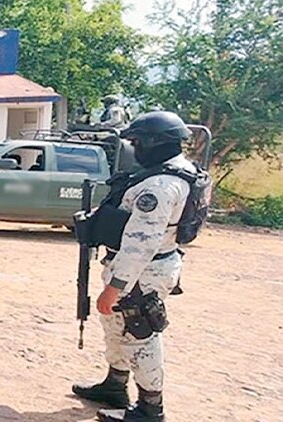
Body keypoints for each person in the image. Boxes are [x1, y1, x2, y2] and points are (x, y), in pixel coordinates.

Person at [72, 111, 196, 422]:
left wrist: (115, 287)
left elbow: (141, 243)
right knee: (117, 327)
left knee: (140, 335)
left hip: (141, 273)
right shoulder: (173, 172)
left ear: (156, 142)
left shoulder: (159, 186)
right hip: (142, 268)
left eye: (138, 142)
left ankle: (150, 408)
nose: (134, 148)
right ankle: (115, 385)